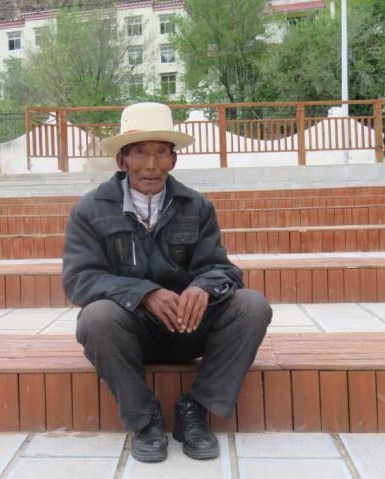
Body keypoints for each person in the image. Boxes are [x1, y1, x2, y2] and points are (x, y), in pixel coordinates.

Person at [62, 102, 272, 462]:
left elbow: (222, 269)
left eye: (161, 152)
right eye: (140, 152)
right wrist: (144, 293)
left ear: (173, 160)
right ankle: (145, 419)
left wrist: (202, 287)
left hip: (188, 328)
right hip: (131, 332)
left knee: (252, 306)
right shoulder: (90, 209)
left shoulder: (197, 206)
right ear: (122, 161)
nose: (151, 164)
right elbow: (79, 279)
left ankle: (196, 410)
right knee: (96, 318)